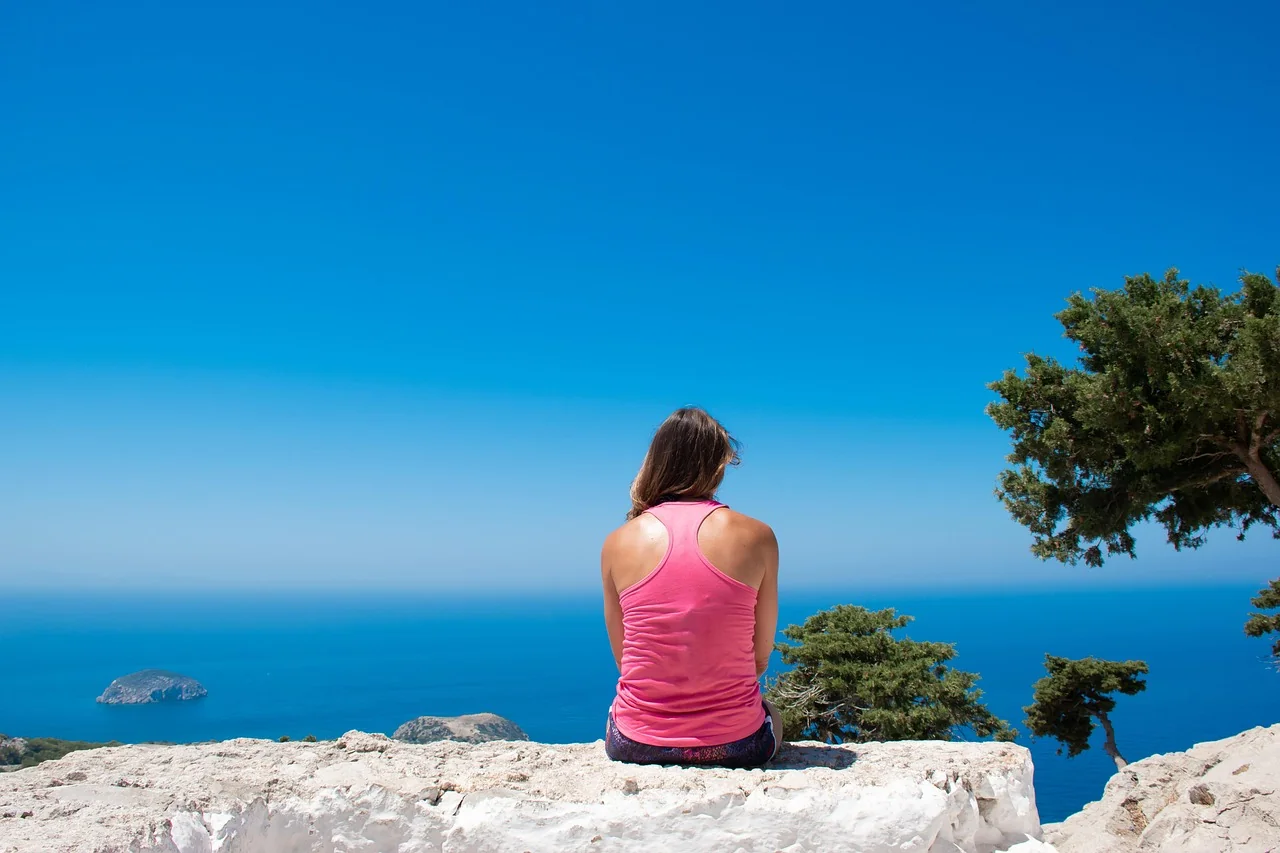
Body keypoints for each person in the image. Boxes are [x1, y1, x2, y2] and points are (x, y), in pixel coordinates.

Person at [600, 407, 783, 768]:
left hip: (636, 744)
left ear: (655, 461)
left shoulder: (617, 543)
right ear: (718, 464)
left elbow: (626, 660)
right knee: (771, 713)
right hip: (738, 745)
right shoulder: (758, 536)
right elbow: (760, 656)